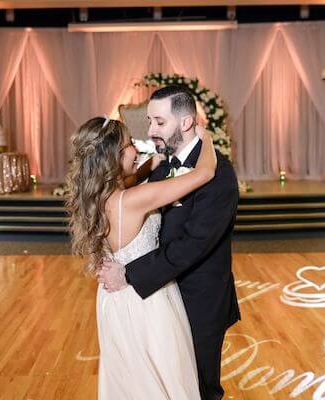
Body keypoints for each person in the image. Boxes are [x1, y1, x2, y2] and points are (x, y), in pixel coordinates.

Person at [99, 85, 241, 400]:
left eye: (159, 122)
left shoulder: (219, 177)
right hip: (156, 300)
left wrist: (129, 274)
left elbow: (192, 245)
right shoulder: (162, 166)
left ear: (187, 122)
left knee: (200, 390)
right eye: (150, 121)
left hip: (198, 302)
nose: (150, 131)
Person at [67, 113, 217, 399]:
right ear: (114, 155)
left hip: (115, 301)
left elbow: (131, 179)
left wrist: (152, 164)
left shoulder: (98, 195)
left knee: (132, 380)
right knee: (160, 379)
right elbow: (204, 174)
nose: (136, 148)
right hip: (146, 300)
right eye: (129, 144)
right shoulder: (134, 199)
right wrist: (205, 136)